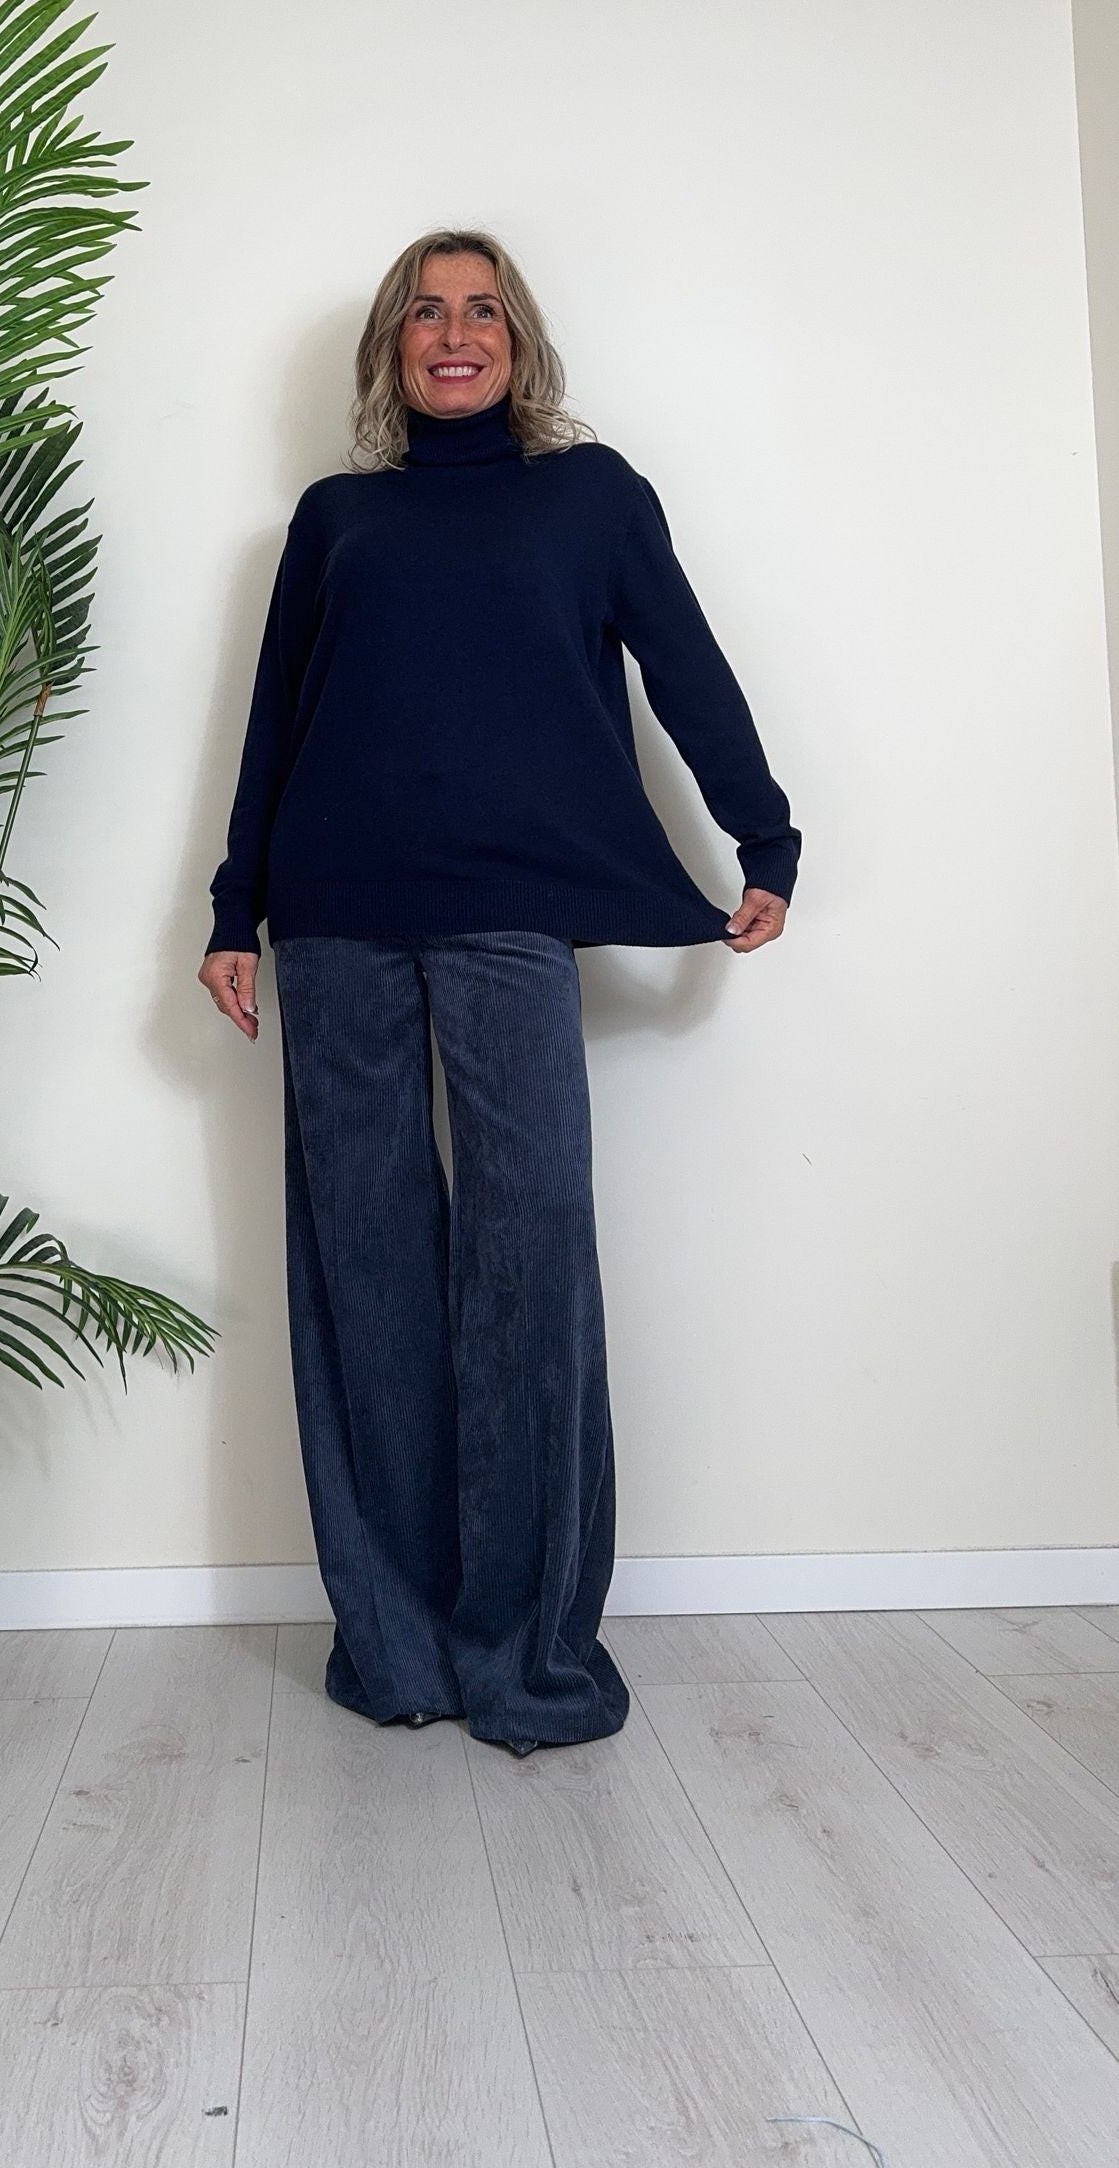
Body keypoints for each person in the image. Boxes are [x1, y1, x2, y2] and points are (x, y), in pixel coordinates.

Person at [198, 227, 800, 1758]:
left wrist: (765, 834)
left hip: (509, 919)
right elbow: (276, 724)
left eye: (481, 311)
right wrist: (233, 906)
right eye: (425, 312)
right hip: (335, 920)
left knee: (528, 1265)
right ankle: (398, 1643)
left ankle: (527, 1654)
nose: (453, 333)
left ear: (518, 342)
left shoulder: (591, 497)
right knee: (368, 1274)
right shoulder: (336, 520)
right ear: (390, 346)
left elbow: (685, 667)